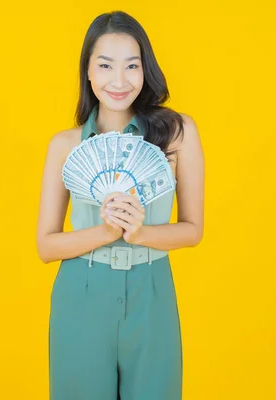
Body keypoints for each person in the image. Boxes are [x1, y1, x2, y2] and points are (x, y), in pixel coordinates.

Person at [36, 10, 205, 400]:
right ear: (89, 73)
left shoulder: (178, 134)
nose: (119, 80)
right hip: (81, 293)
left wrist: (141, 232)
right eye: (105, 65)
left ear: (145, 69)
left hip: (152, 291)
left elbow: (193, 229)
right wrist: (105, 231)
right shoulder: (65, 145)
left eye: (132, 65)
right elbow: (46, 246)